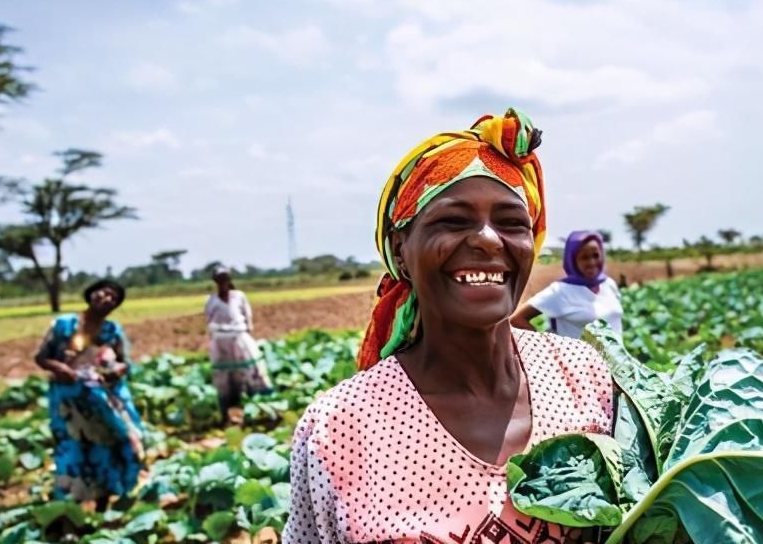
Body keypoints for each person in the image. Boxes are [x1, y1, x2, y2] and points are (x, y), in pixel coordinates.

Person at [284, 109, 613, 542]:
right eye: (453, 221)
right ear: (401, 250)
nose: (488, 239)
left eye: (512, 222)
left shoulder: (583, 376)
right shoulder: (339, 427)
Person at [34, 280, 143, 511]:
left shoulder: (112, 331)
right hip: (69, 399)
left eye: (114, 298)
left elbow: (126, 363)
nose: (107, 299)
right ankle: (70, 508)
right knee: (75, 449)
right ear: (91, 293)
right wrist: (61, 368)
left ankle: (103, 503)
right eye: (104, 292)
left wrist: (115, 371)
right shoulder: (64, 325)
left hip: (104, 398)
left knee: (114, 444)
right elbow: (41, 357)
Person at [510, 230, 624, 339]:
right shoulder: (560, 291)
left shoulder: (608, 284)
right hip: (577, 359)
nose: (592, 262)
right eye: (584, 257)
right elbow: (517, 319)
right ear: (573, 260)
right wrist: (544, 346)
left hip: (612, 359)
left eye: (596, 255)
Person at [204, 266, 272, 422]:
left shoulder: (239, 296)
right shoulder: (211, 300)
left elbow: (248, 318)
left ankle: (255, 411)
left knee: (250, 372)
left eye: (225, 279)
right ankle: (225, 414)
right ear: (216, 282)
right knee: (224, 378)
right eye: (219, 280)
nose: (222, 283)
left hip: (239, 339)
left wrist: (247, 334)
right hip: (221, 342)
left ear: (229, 280)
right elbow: (209, 321)